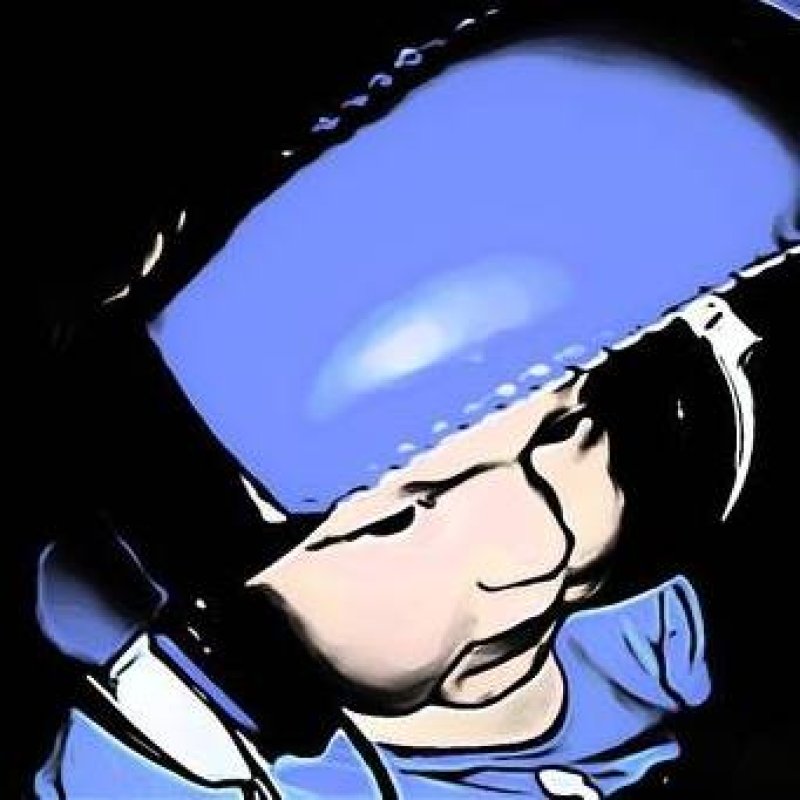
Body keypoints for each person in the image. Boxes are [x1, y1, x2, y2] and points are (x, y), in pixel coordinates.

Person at [33, 0, 799, 797]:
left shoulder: (638, 626)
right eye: (396, 518)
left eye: (561, 432)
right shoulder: (177, 780)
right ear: (210, 627)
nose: (538, 550)